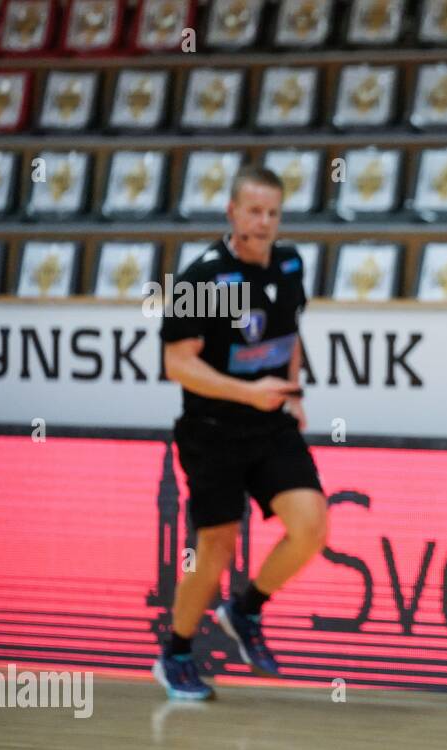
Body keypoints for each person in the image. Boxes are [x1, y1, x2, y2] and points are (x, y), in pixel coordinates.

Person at [154, 166, 328, 700]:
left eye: (273, 212)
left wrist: (292, 392)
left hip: (270, 424)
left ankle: (245, 609)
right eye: (254, 211)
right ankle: (176, 652)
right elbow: (177, 364)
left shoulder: (291, 262)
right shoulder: (204, 279)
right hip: (213, 431)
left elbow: (288, 330)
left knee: (312, 525)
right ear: (232, 212)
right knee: (217, 549)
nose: (265, 221)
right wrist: (246, 391)